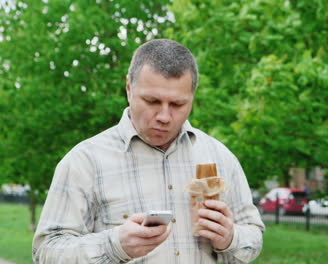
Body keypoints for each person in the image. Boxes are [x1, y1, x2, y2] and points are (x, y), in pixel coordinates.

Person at [33, 39, 265, 263]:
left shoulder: (220, 156)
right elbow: (46, 252)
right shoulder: (84, 162)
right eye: (152, 101)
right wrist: (115, 246)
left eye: (177, 104)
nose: (164, 116)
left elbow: (253, 235)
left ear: (192, 98)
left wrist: (230, 238)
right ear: (128, 89)